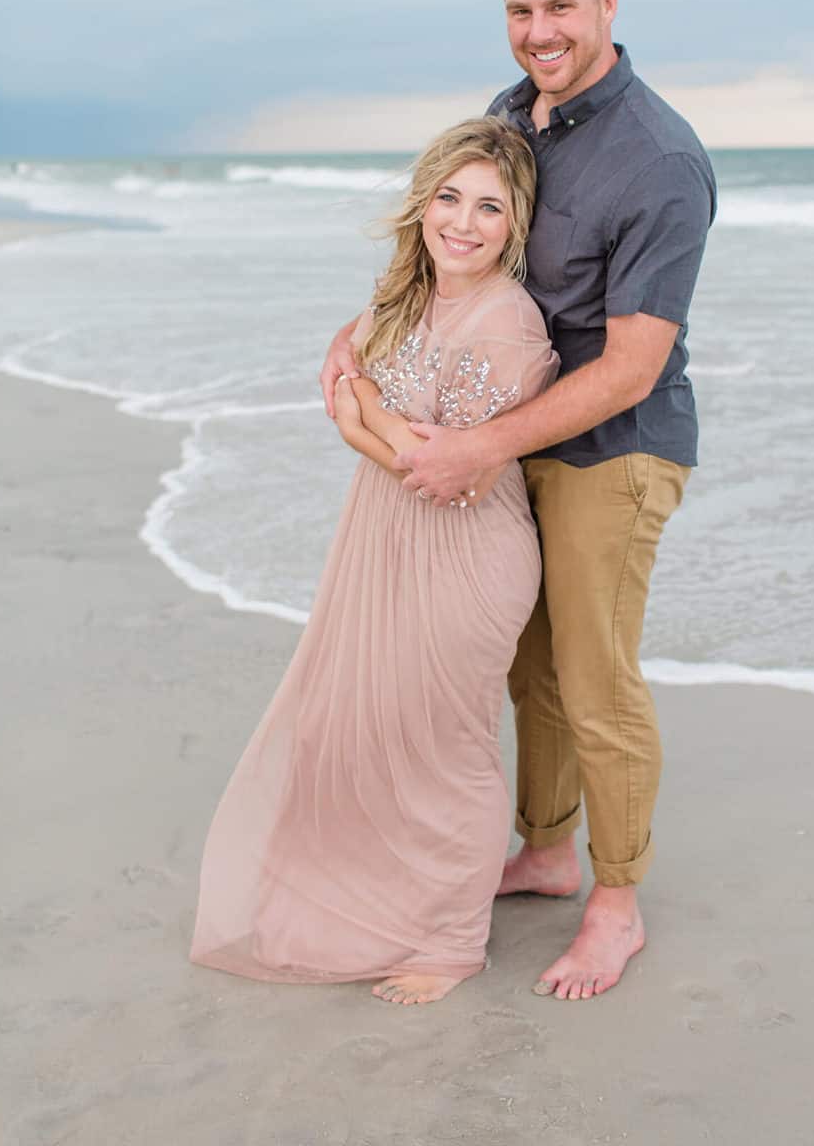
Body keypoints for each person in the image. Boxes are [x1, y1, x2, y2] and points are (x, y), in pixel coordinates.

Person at [321, 0, 717, 1002]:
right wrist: (364, 338)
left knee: (592, 676)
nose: (539, 31)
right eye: (520, 10)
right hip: (506, 425)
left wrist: (480, 445)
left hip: (608, 451)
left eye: (560, 6)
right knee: (523, 666)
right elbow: (456, 248)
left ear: (607, 5)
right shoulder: (513, 116)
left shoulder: (662, 161)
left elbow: (633, 364)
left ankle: (617, 901)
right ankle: (543, 852)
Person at [191, 118, 558, 1005]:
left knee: (447, 744)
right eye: (449, 198)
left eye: (489, 209)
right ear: (423, 202)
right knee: (372, 724)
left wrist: (367, 407)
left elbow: (443, 471)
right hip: (388, 539)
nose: (463, 224)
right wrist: (368, 409)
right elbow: (359, 426)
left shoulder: (508, 321)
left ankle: (451, 940)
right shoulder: (404, 297)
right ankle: (407, 896)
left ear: (515, 227)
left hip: (466, 555)